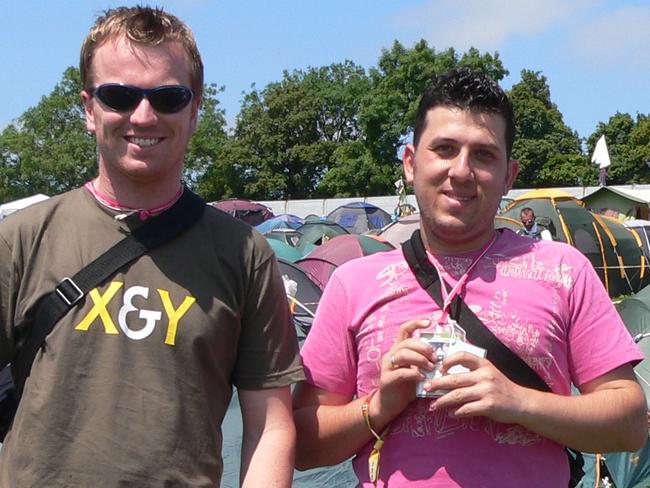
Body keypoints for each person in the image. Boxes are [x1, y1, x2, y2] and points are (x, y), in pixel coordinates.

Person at [293, 67, 647, 487]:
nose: (461, 171)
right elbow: (302, 446)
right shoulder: (352, 284)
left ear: (508, 176)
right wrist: (380, 403)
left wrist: (517, 401)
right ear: (410, 163)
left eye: (483, 154)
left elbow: (630, 423)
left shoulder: (563, 269)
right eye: (444, 149)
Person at [0, 6, 303, 487]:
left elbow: (269, 424)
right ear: (88, 108)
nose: (143, 115)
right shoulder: (20, 238)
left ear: (195, 108)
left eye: (167, 97)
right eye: (119, 95)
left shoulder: (244, 254)